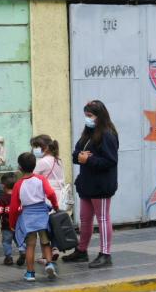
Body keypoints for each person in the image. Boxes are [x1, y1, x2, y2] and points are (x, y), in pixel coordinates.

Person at [63, 100, 119, 268]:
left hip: (101, 186)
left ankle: (105, 254)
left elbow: (110, 161)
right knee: (85, 219)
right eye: (86, 115)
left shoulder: (107, 134)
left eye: (90, 116)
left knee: (102, 219)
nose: (87, 119)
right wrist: (80, 157)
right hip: (87, 184)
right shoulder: (87, 134)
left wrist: (89, 159)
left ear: (99, 117)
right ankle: (82, 251)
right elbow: (76, 154)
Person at [9, 152, 60, 282]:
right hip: (42, 214)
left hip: (27, 216)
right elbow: (51, 193)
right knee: (45, 242)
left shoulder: (18, 185)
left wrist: (12, 223)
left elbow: (14, 207)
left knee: (30, 245)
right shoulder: (41, 179)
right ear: (34, 165)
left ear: (20, 167)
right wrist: (55, 206)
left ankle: (30, 273)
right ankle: (49, 263)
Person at [32, 134, 66, 262]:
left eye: (36, 147)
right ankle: (55, 248)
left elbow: (32, 178)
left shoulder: (42, 162)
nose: (34, 150)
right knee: (54, 224)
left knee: (44, 226)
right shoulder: (58, 160)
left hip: (46, 197)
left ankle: (47, 255)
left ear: (45, 148)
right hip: (59, 196)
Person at [0, 173, 17, 265]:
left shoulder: (2, 199)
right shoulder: (18, 197)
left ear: (3, 186)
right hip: (19, 226)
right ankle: (23, 252)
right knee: (20, 241)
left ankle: (8, 257)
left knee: (6, 242)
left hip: (6, 226)